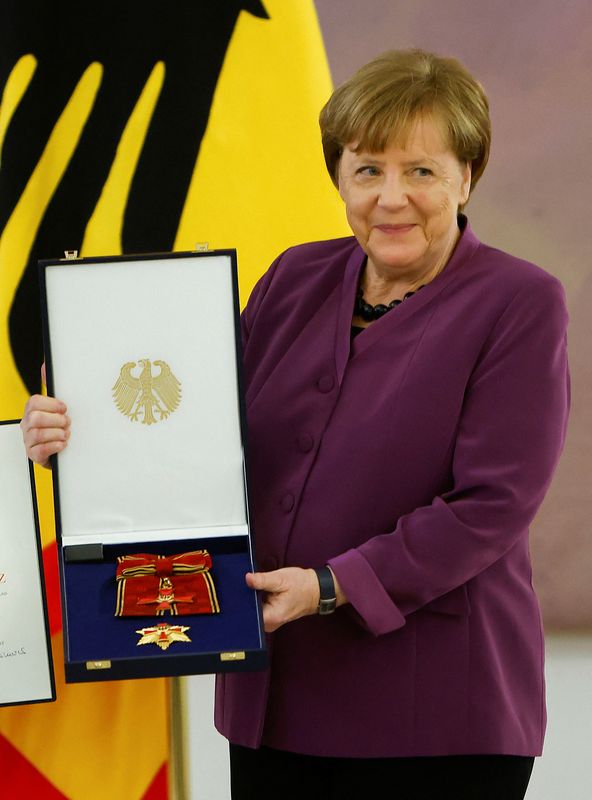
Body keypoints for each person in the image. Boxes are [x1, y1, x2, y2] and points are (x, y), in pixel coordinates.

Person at [22, 49, 569, 800]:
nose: (391, 197)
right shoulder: (292, 277)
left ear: (466, 176)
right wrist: (79, 437)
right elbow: (197, 431)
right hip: (275, 700)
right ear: (339, 177)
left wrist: (332, 586)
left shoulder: (521, 303)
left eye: (421, 170)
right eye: (368, 169)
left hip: (438, 715)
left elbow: (493, 506)